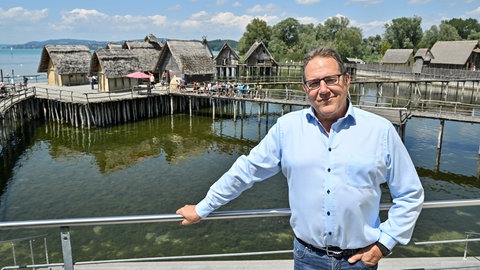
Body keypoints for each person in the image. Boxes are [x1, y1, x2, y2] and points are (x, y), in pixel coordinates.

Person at [176, 47, 424, 269]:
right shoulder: (287, 129)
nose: (323, 90)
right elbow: (246, 171)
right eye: (314, 83)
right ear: (305, 89)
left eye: (331, 80)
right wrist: (203, 208)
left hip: (359, 261)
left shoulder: (380, 131)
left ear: (347, 80)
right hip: (307, 258)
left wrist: (384, 244)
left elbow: (410, 193)